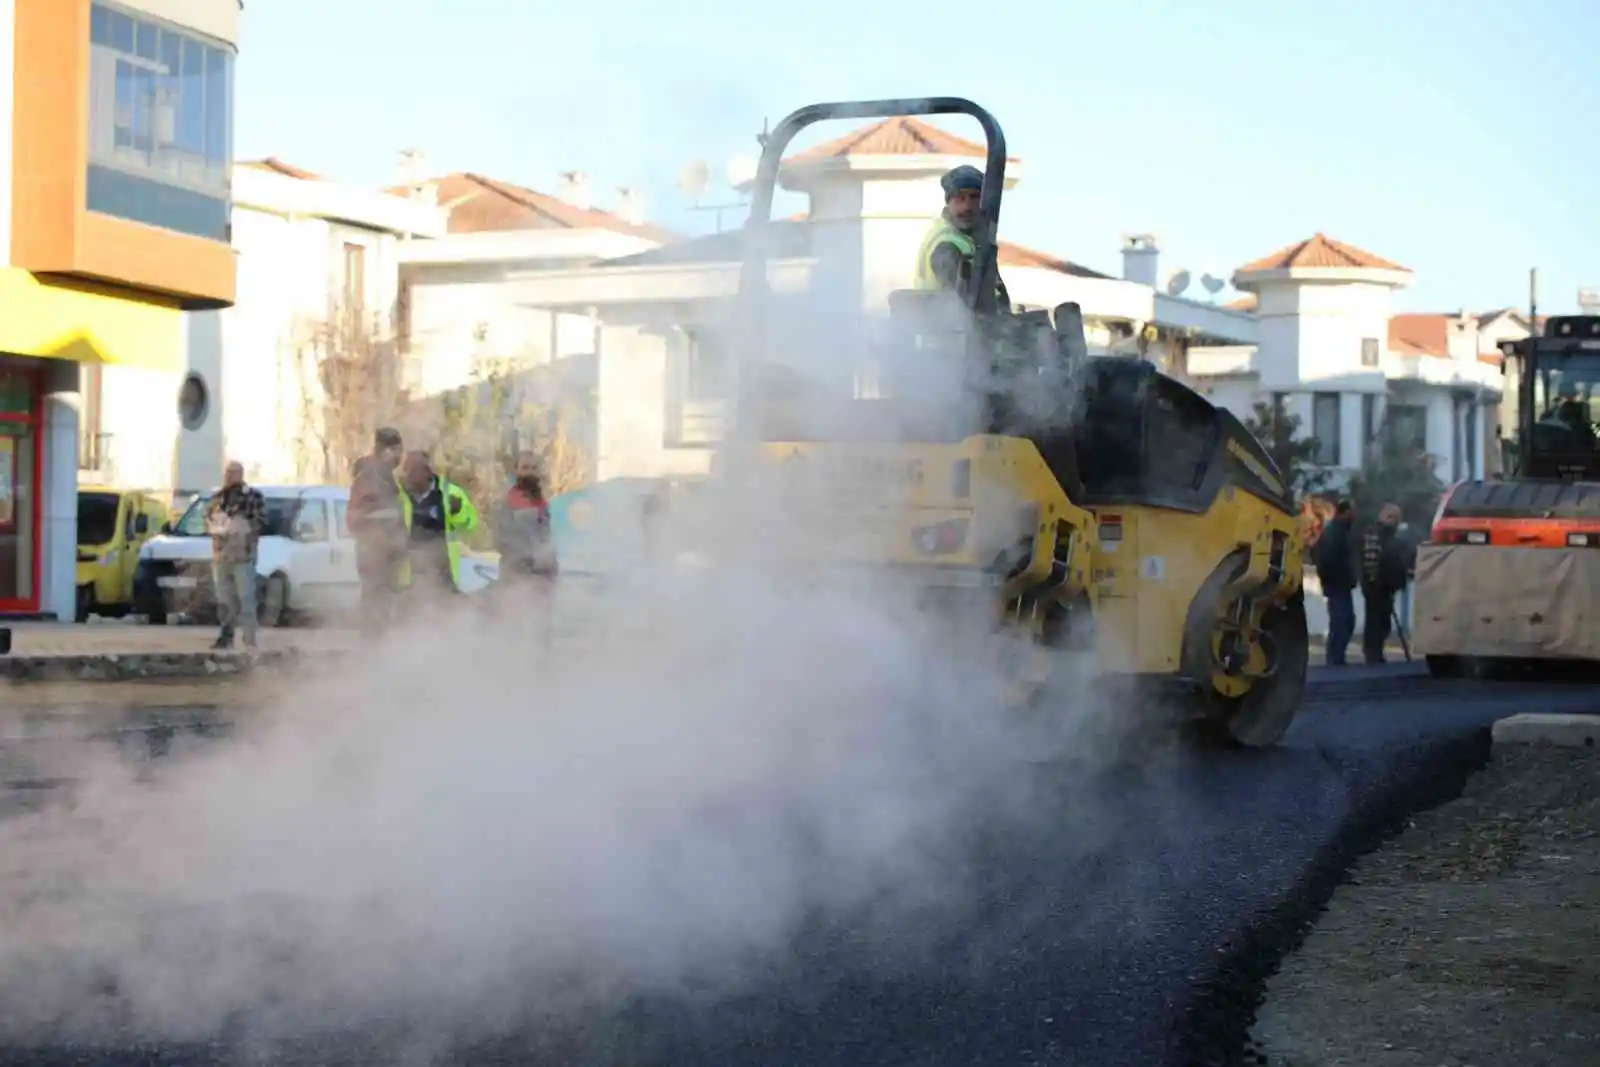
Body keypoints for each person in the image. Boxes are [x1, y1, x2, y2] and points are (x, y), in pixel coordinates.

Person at [912, 164, 1011, 311]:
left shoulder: (973, 241)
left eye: (974, 198)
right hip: (951, 331)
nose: (967, 207)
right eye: (960, 198)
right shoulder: (946, 244)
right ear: (949, 202)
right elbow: (966, 302)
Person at [347, 427, 407, 637]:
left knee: (383, 605)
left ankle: (379, 644)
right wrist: (386, 516)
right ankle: (372, 648)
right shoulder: (368, 477)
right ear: (385, 450)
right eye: (398, 450)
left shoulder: (387, 477)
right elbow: (355, 518)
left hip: (385, 553)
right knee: (374, 604)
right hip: (374, 553)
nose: (400, 457)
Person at [397, 450, 480, 600]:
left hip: (444, 581)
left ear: (428, 472)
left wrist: (458, 511)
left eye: (413, 471)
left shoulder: (450, 493)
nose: (407, 476)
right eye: (406, 470)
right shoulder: (399, 497)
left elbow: (470, 525)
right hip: (411, 584)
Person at [202, 460, 266, 651]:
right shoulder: (217, 498)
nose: (230, 476)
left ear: (241, 474)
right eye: (228, 472)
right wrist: (216, 527)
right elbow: (206, 520)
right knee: (224, 599)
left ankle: (249, 640)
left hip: (243, 556)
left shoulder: (252, 497)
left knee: (245, 598)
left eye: (234, 472)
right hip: (221, 556)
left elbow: (261, 521)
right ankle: (226, 636)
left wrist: (242, 528)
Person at [492, 451, 559, 628]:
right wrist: (526, 561)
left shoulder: (543, 504)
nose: (529, 472)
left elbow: (546, 539)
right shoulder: (506, 503)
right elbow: (501, 540)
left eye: (533, 468)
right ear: (516, 471)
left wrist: (552, 569)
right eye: (525, 468)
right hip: (517, 581)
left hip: (542, 584)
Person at [1360, 503, 1411, 665]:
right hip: (1378, 588)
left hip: (1384, 587)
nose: (1397, 523)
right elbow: (1371, 561)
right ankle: (1373, 655)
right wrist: (1375, 582)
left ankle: (1375, 653)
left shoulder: (1387, 536)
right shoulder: (1376, 534)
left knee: (1382, 622)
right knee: (1376, 622)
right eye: (1395, 519)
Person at [1313, 499, 1359, 666]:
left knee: (1346, 621)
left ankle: (1337, 657)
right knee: (1341, 622)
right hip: (1337, 586)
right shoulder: (1335, 532)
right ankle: (1334, 660)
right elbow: (1328, 560)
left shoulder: (1341, 531)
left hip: (1341, 585)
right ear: (1345, 512)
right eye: (1353, 511)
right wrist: (1337, 579)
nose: (1355, 515)